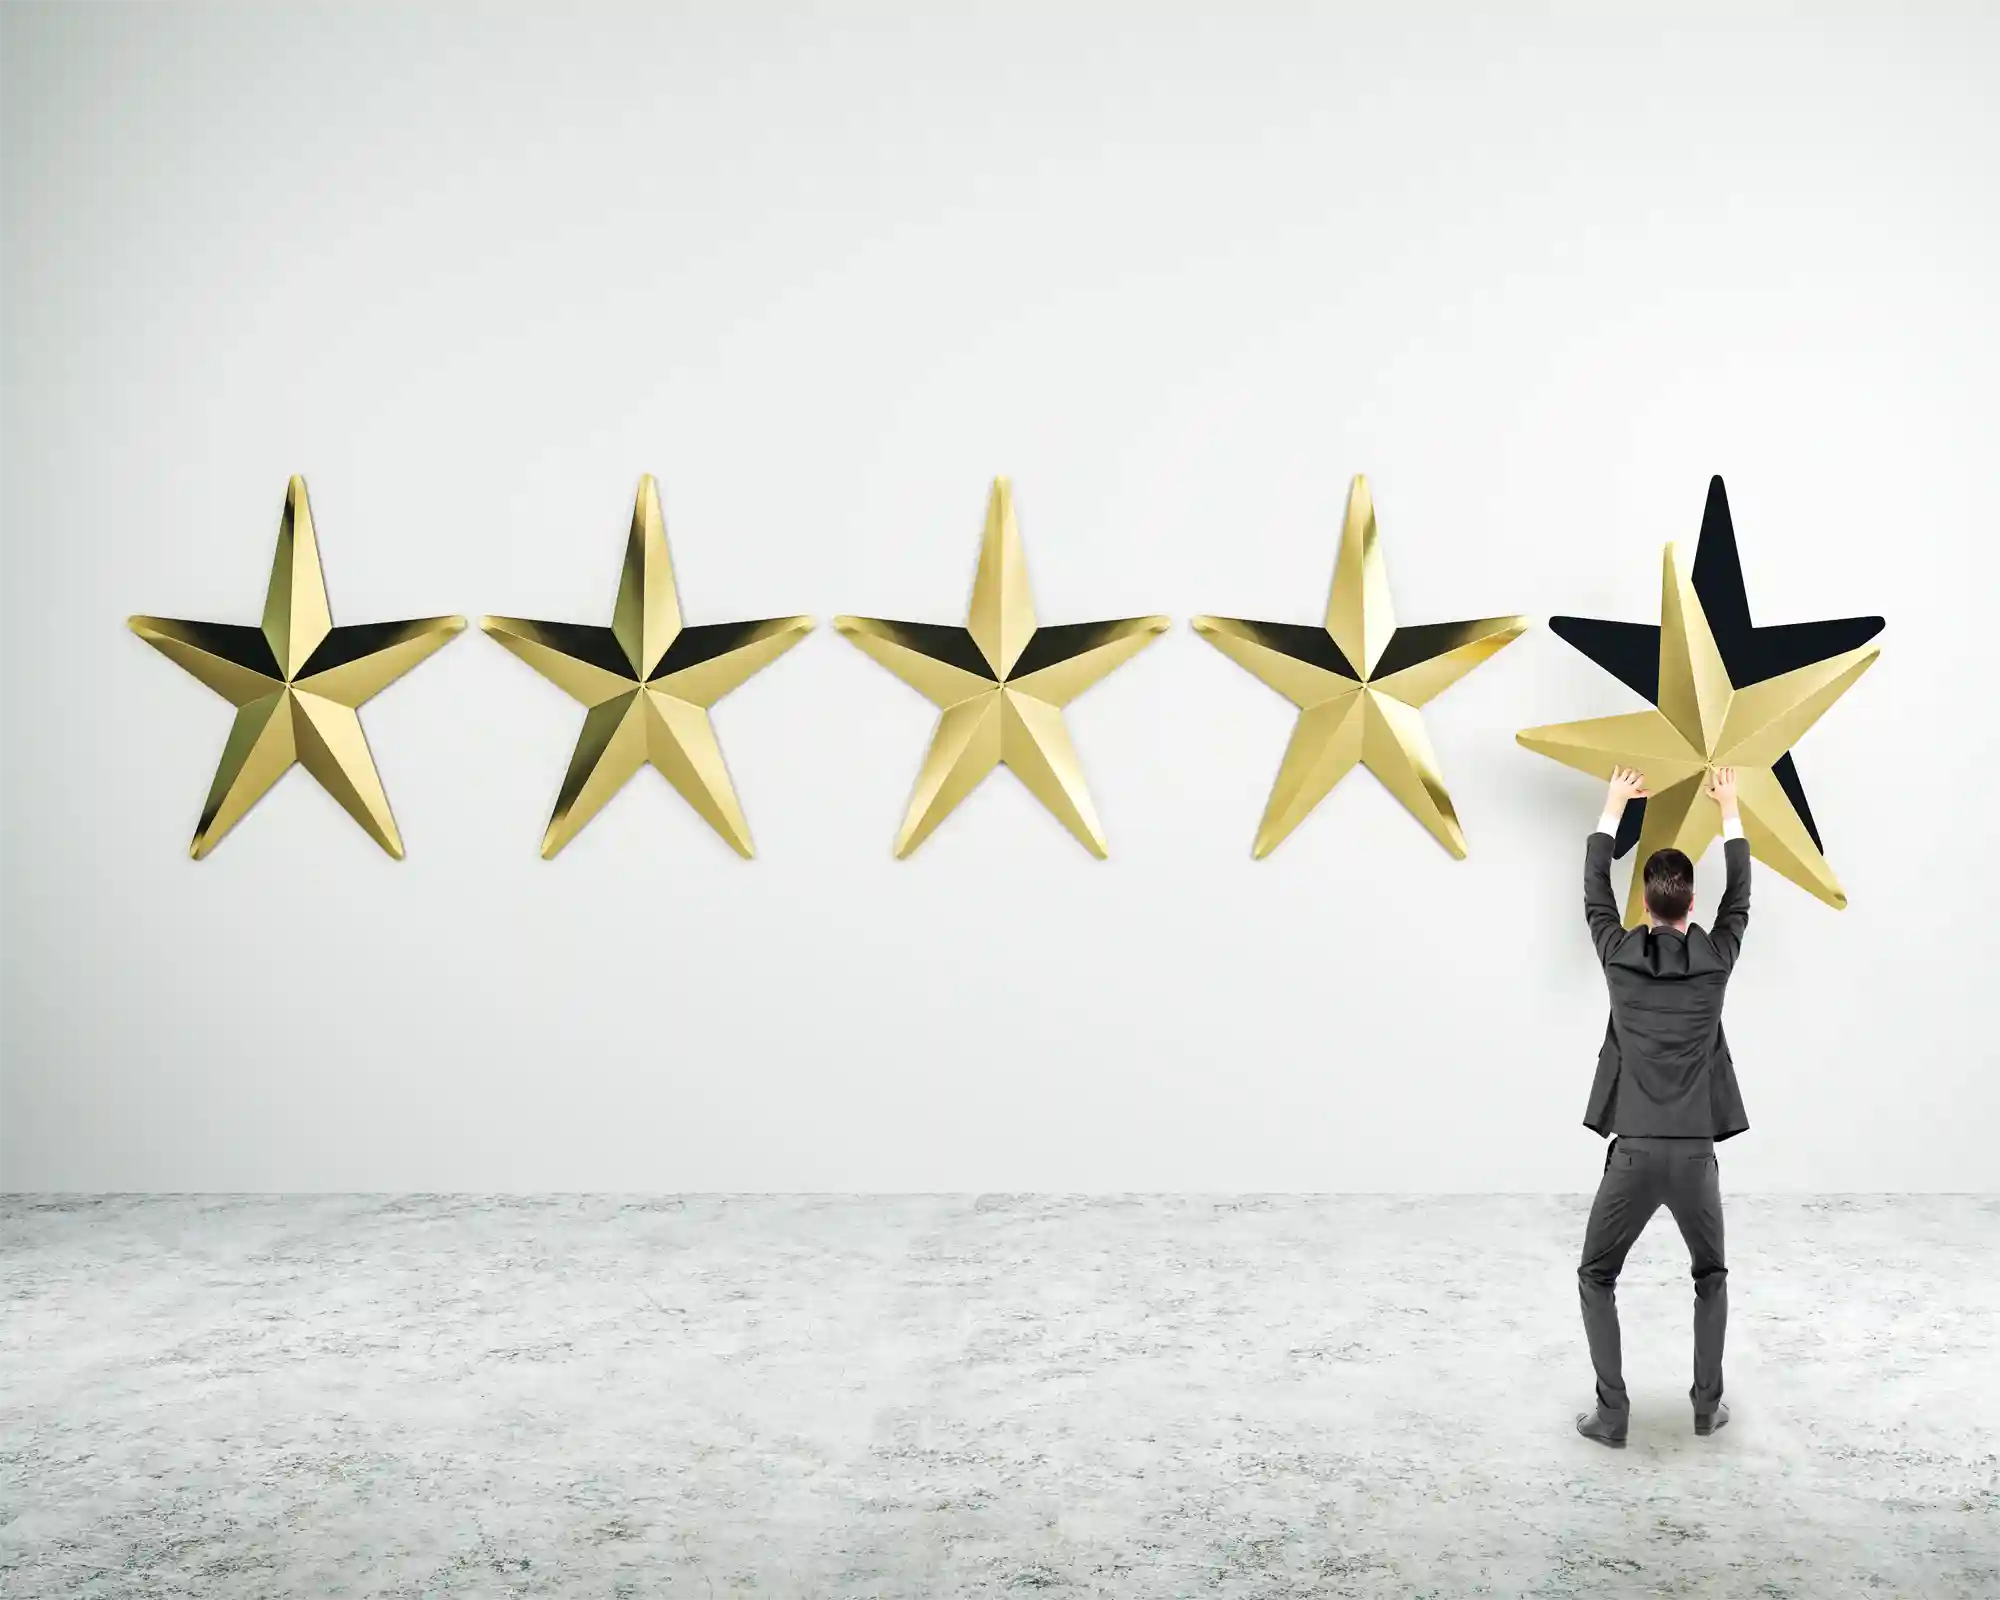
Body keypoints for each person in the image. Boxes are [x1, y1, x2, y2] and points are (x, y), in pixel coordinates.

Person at [1573, 765, 1750, 1448]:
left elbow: (1594, 892)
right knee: (1711, 1275)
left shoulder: (1619, 958)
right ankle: (1707, 1408)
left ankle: (1613, 1415)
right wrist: (1729, 809)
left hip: (1635, 1156)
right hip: (1696, 1155)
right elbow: (1741, 900)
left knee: (1597, 1275)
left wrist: (1614, 805)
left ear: (1645, 905)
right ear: (1691, 904)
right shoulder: (1716, 961)